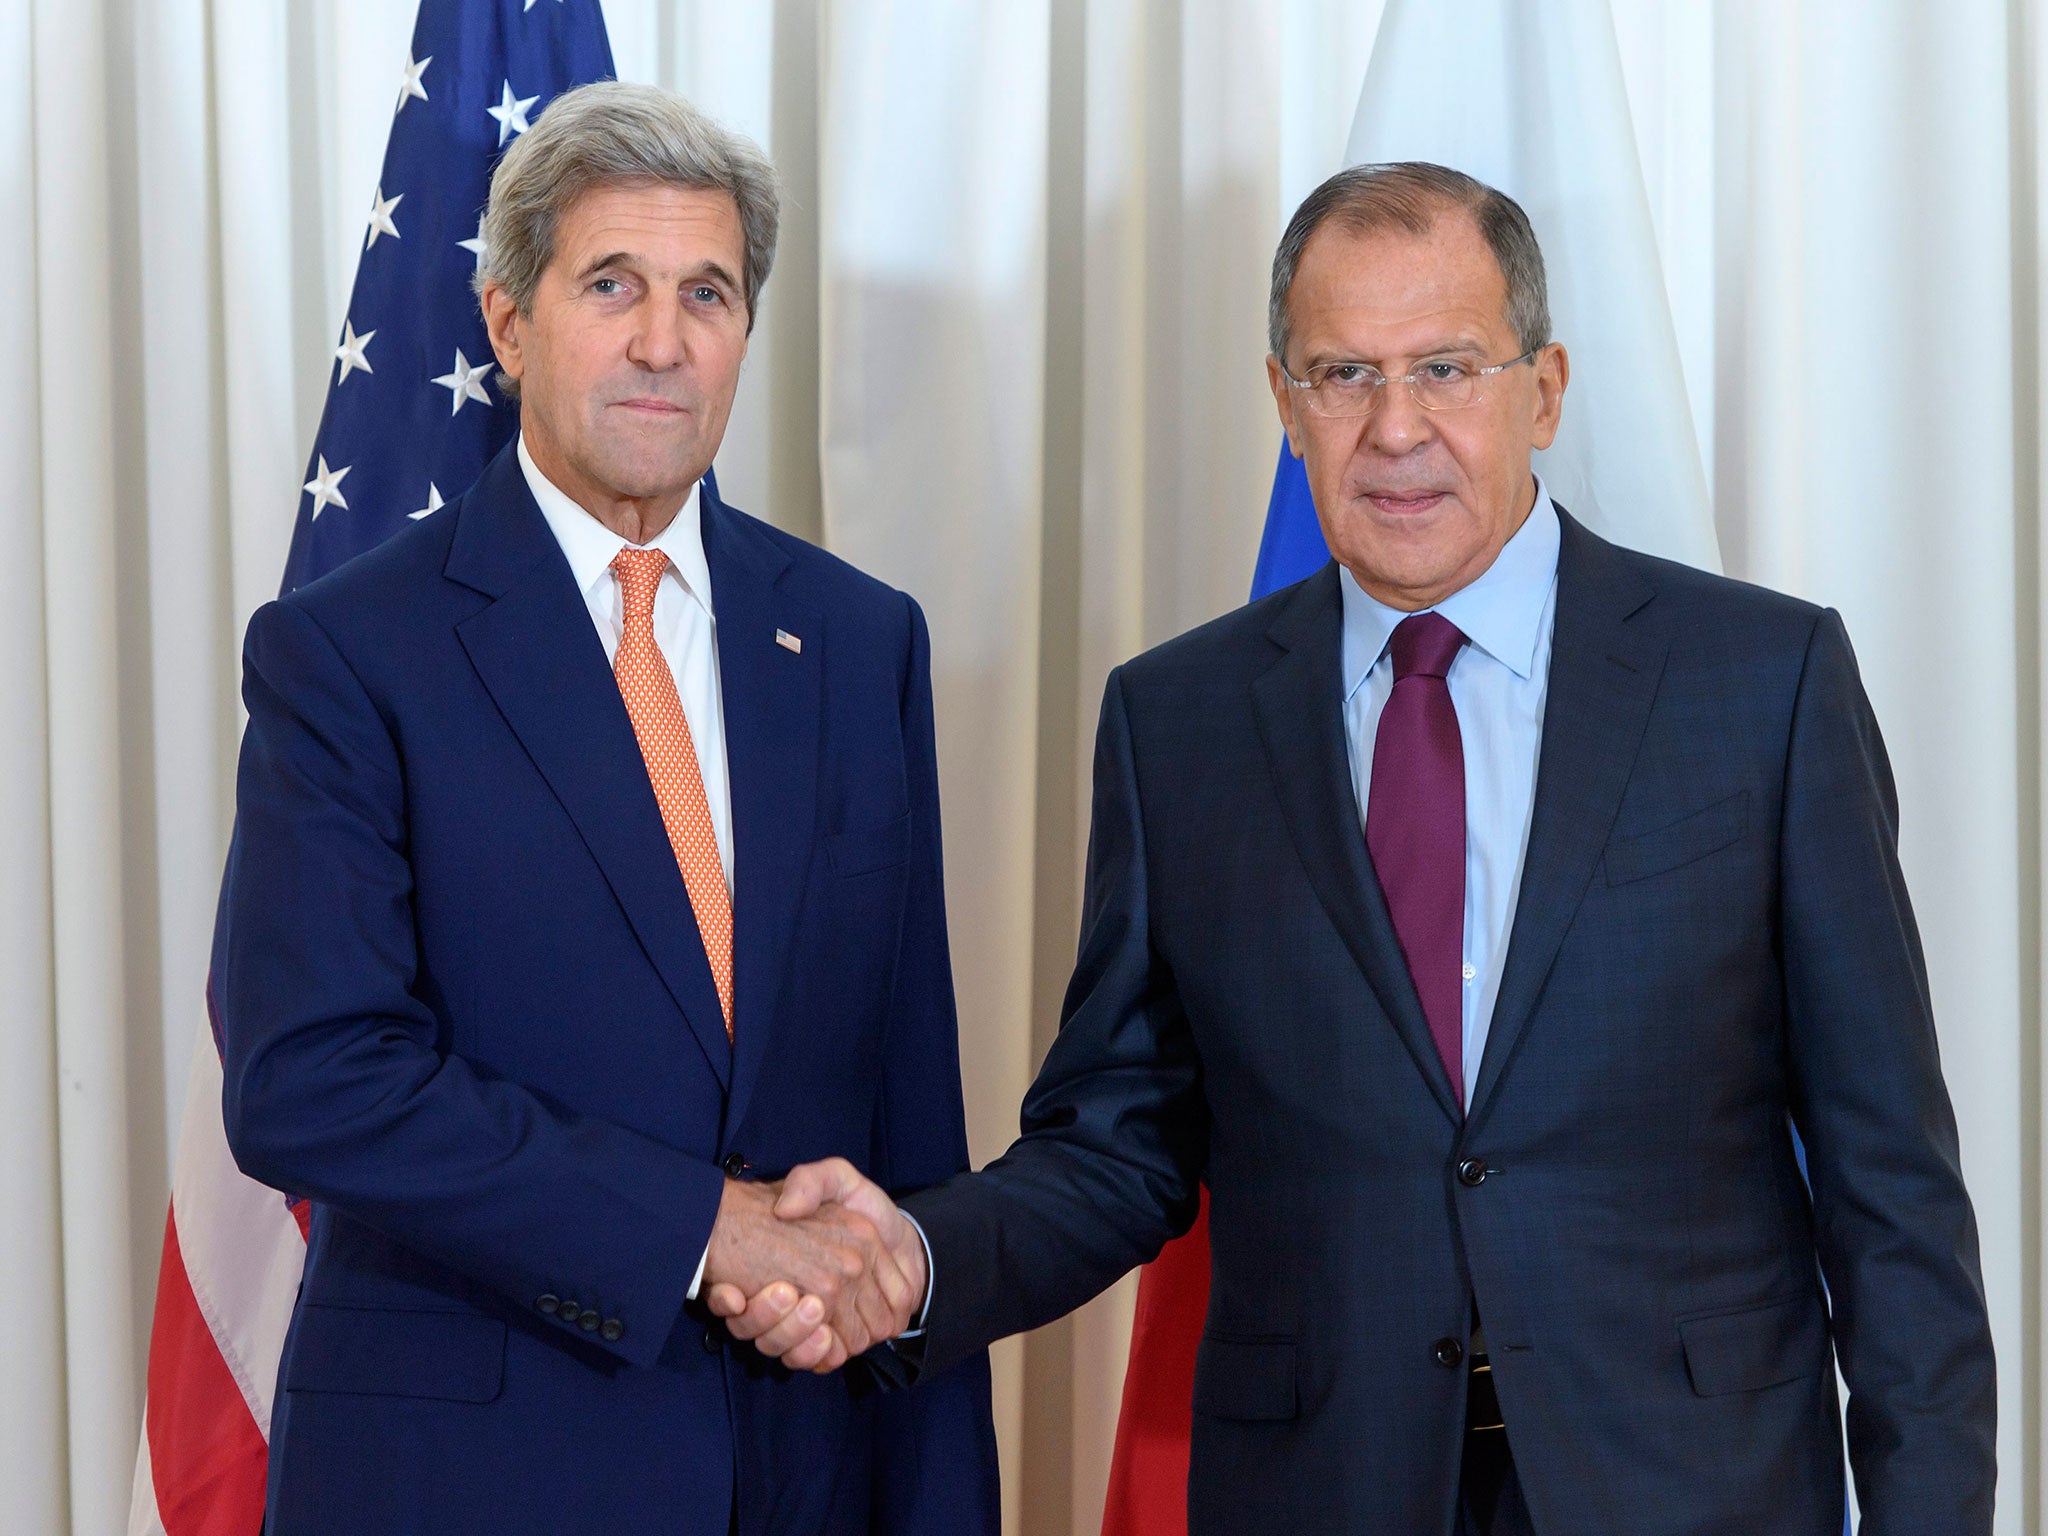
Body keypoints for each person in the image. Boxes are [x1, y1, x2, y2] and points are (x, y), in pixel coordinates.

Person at [715, 163, 1999, 1534]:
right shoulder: (1179, 720)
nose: (1396, 430)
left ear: (1544, 388)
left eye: (1447, 368)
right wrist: (903, 1256)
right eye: (1343, 375)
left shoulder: (1762, 679)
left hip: (1692, 1486)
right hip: (1323, 1489)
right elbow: (1119, 1142)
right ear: (1285, 401)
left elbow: (1891, 1186)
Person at [216, 81, 997, 1536]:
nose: (662, 340)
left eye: (708, 292)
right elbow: (309, 1079)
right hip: (470, 1481)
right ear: (510, 323)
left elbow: (910, 1115)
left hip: (803, 1470)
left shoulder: (856, 639)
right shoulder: (349, 651)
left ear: (747, 332)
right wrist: (700, 1228)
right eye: (611, 286)